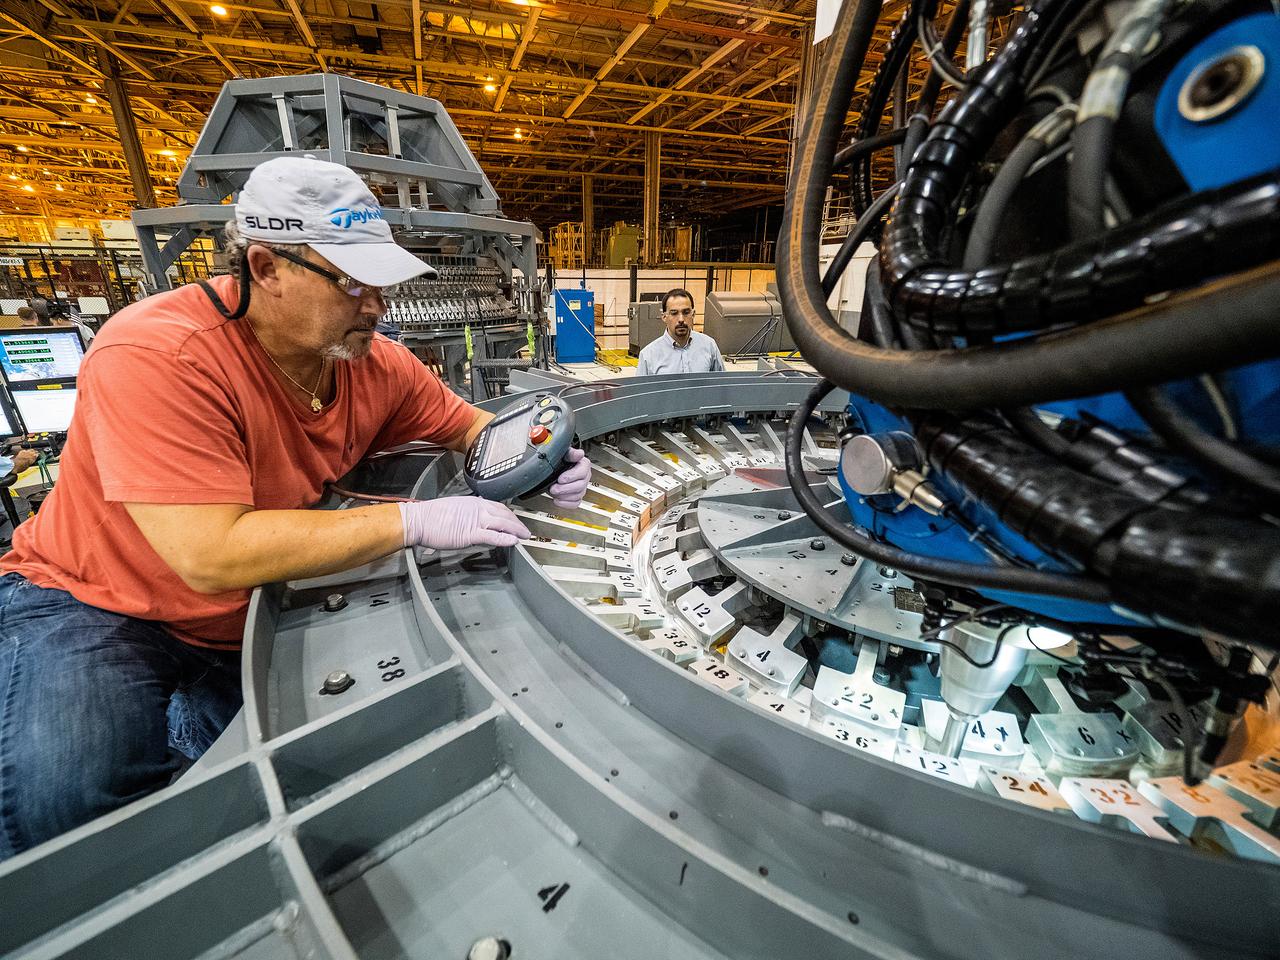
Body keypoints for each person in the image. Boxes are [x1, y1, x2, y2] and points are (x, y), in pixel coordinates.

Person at [0, 156, 592, 859]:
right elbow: (210, 554)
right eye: (350, 282)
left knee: (302, 777)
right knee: (72, 806)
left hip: (245, 615)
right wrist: (411, 522)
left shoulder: (373, 363)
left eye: (382, 284)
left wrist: (540, 458)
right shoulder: (156, 353)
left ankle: (190, 730)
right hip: (97, 600)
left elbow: (476, 432)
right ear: (266, 266)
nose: (376, 305)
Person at [634, 288, 725, 377]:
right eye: (674, 313)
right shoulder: (648, 355)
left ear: (693, 314)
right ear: (664, 317)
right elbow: (640, 391)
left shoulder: (709, 346)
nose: (681, 319)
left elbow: (722, 385)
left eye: (686, 312)